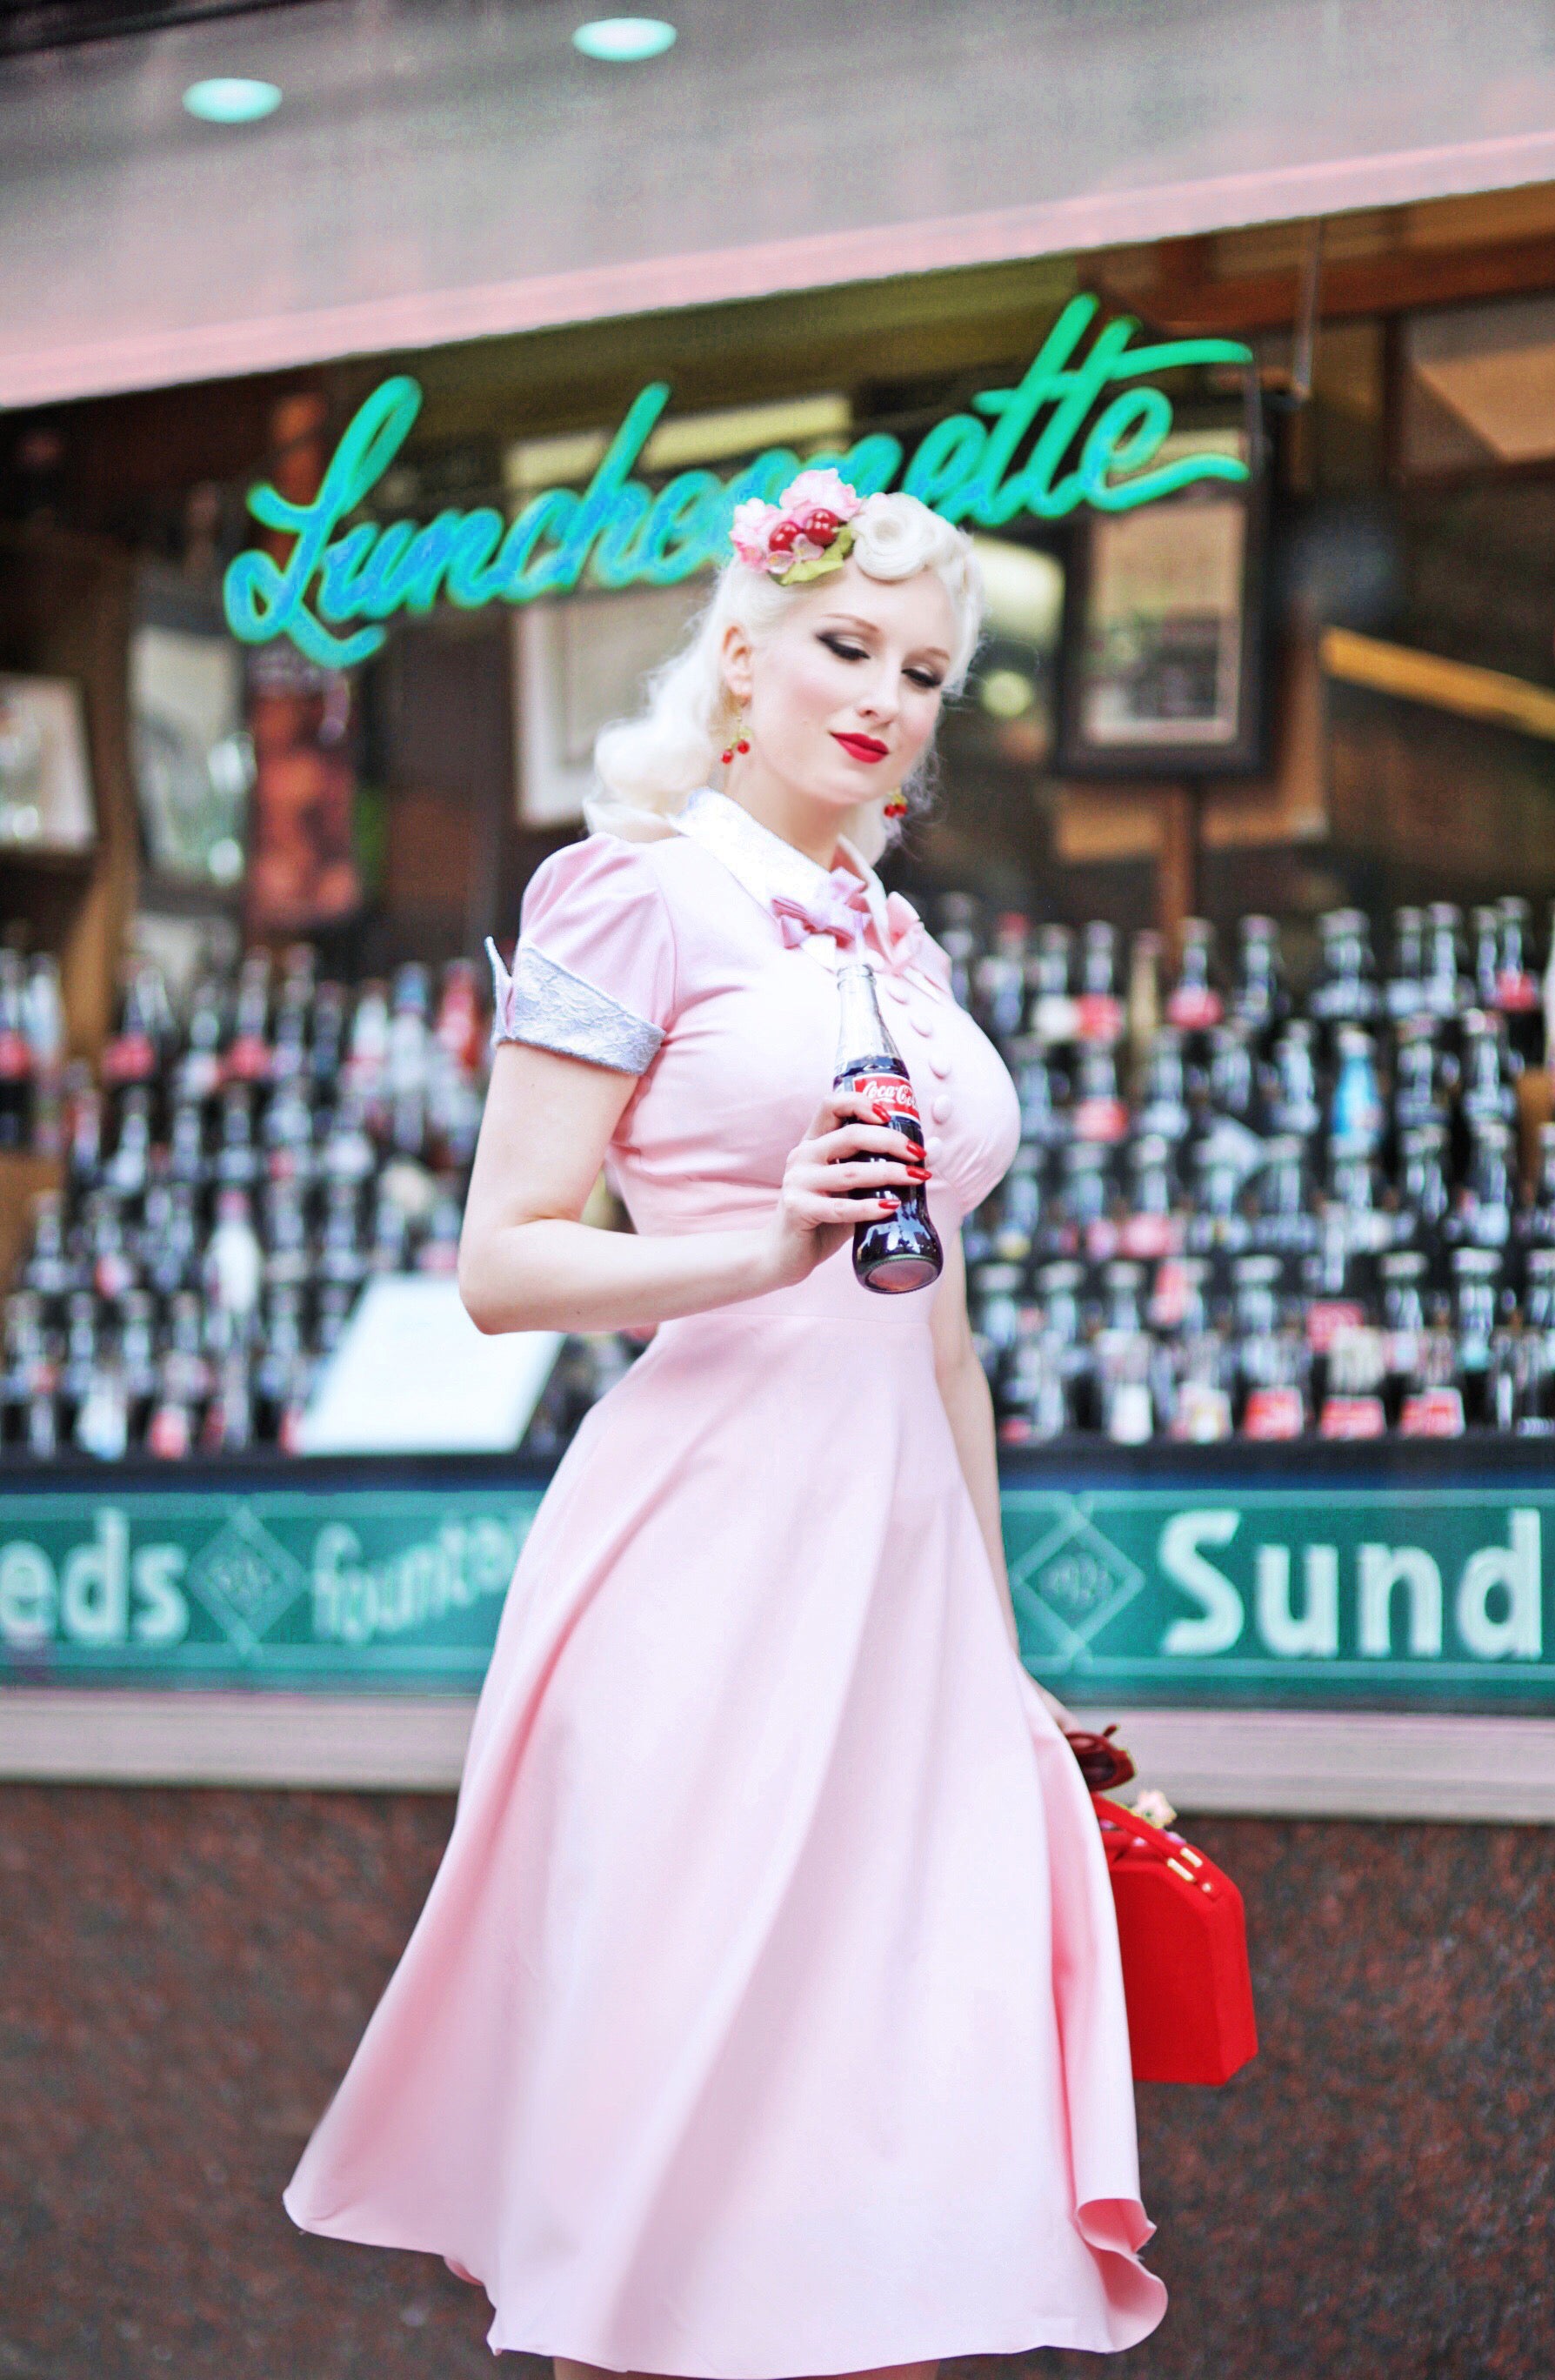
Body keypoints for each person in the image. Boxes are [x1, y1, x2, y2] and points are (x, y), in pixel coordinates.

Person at [283, 471, 1167, 2376]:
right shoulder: (636, 893)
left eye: (923, 672)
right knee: (674, 2158)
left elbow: (941, 1346)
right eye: (848, 645)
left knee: (896, 2153)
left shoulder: (903, 952)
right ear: (744, 657)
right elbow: (504, 1262)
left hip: (901, 1599)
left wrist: (997, 1647)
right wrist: (760, 1250)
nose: (885, 697)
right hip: (701, 1566)